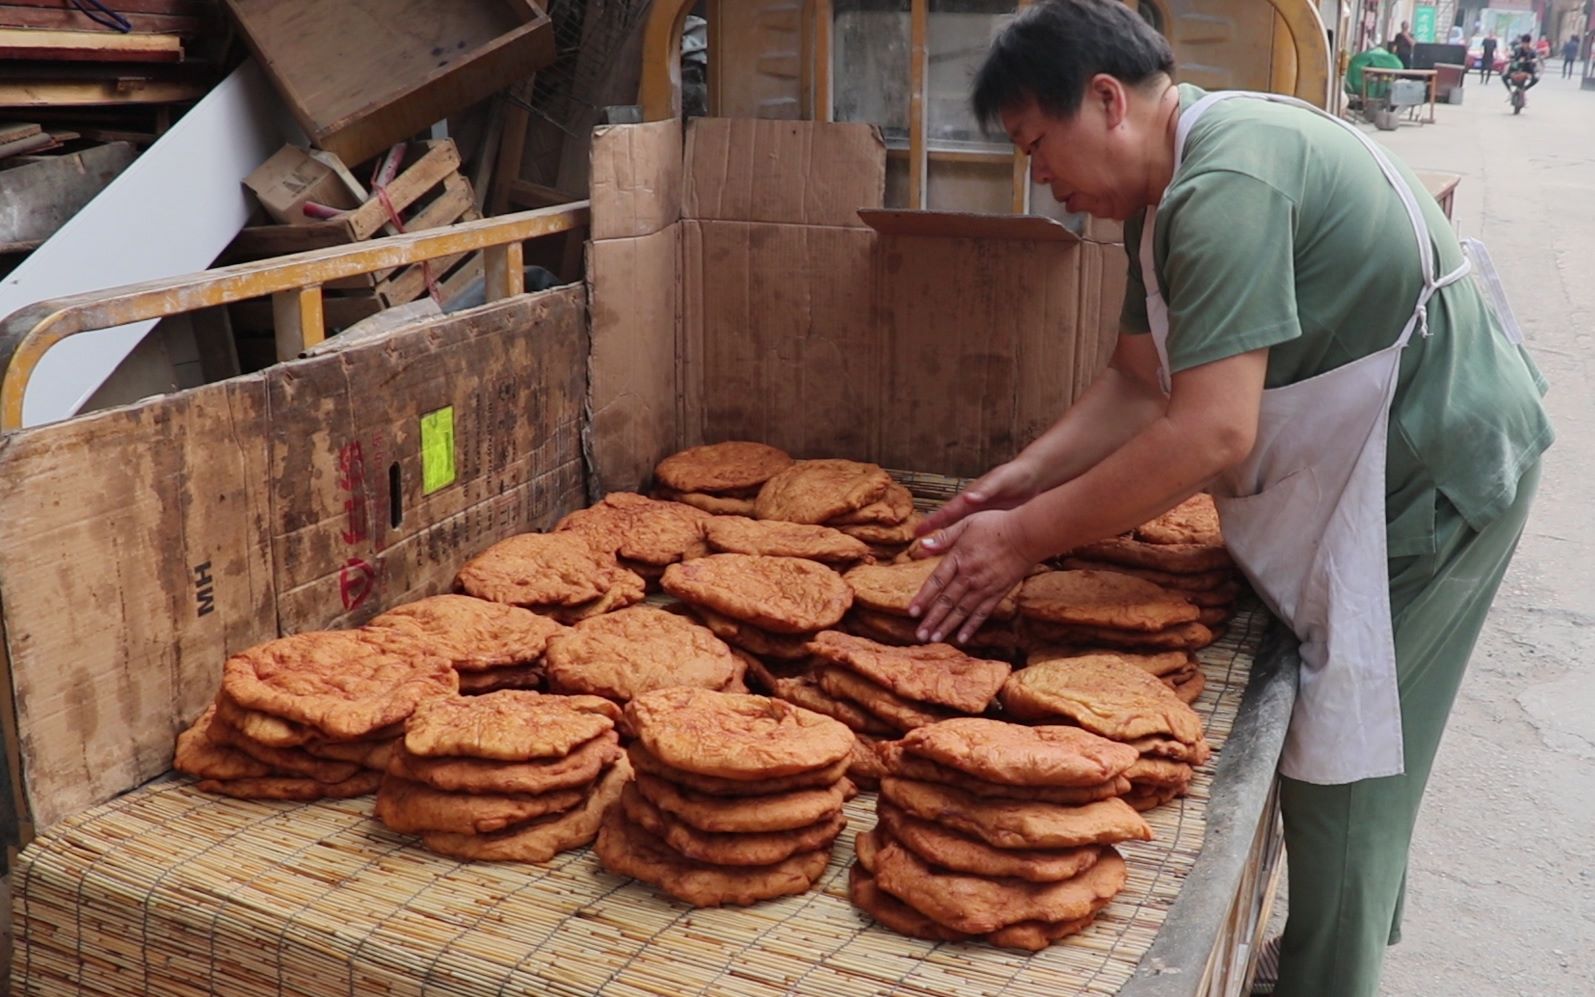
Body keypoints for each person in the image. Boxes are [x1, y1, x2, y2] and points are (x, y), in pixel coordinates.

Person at [910, 2, 1553, 994]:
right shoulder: (1158, 201)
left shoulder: (1226, 180)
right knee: (1341, 743)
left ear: (1107, 100)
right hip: (1359, 460)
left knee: (1346, 757)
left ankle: (1324, 977)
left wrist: (1023, 540)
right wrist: (1020, 478)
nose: (1037, 176)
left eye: (1037, 146)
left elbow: (1210, 426)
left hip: (1432, 469)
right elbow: (1134, 383)